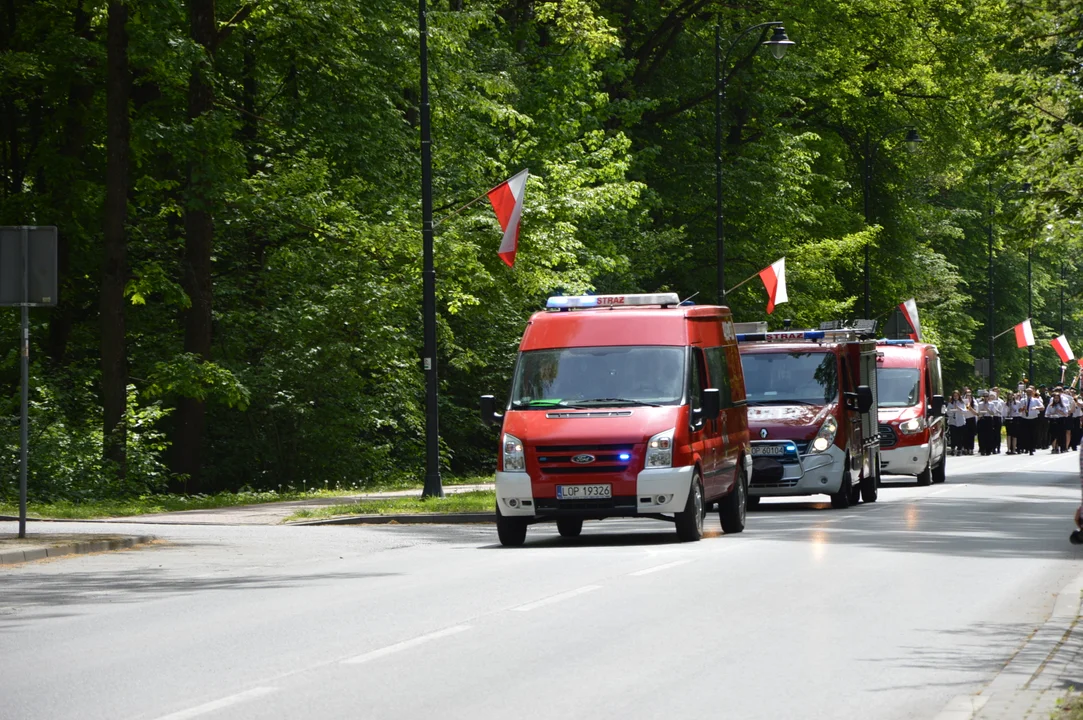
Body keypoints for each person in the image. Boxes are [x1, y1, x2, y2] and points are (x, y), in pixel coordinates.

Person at [1020, 386, 1045, 455]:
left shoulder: (1036, 400)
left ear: (1033, 392)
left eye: (1030, 392)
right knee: (1025, 434)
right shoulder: (1023, 400)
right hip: (1025, 418)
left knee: (1033, 434)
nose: (1029, 393)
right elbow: (1019, 410)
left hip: (1033, 419)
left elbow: (1042, 407)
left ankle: (1031, 448)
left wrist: (1036, 408)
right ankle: (1026, 448)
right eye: (1028, 392)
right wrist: (1023, 409)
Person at [947, 390, 967, 456]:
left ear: (959, 396)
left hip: (960, 422)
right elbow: (948, 412)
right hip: (953, 422)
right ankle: (953, 449)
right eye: (954, 396)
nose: (955, 397)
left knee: (960, 436)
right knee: (953, 436)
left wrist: (958, 408)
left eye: (957, 396)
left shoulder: (961, 403)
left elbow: (965, 411)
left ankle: (959, 449)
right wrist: (952, 411)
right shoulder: (950, 403)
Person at [976, 391, 995, 456]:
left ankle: (988, 449)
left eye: (987, 396)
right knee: (982, 435)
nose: (985, 398)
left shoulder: (991, 404)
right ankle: (982, 449)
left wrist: (987, 409)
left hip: (988, 419)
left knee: (989, 435)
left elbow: (993, 413)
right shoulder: (980, 404)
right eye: (984, 396)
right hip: (982, 419)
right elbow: (978, 412)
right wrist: (982, 411)